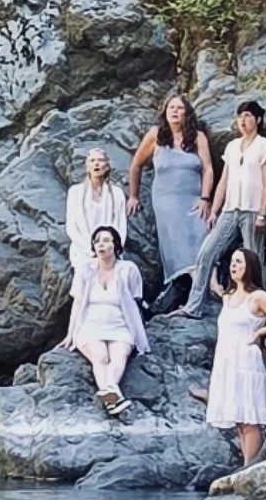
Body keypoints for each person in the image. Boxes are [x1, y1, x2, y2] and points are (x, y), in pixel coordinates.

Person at [181, 99, 266, 316]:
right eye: (240, 116)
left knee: (253, 257)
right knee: (207, 251)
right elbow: (223, 182)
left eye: (248, 116)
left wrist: (263, 213)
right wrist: (214, 211)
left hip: (253, 210)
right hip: (230, 209)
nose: (243, 121)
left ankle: (256, 308)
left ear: (258, 119)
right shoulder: (232, 147)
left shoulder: (265, 146)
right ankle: (194, 306)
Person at [127, 94, 214, 310]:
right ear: (165, 113)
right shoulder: (156, 136)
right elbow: (136, 165)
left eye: (179, 108)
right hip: (166, 201)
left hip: (194, 199)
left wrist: (205, 198)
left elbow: (208, 168)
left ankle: (211, 286)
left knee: (204, 236)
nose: (175, 111)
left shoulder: (198, 137)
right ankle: (202, 291)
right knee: (180, 244)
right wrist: (133, 195)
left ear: (187, 113)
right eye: (171, 108)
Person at [204, 245, 266, 466]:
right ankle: (246, 466)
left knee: (249, 419)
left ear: (250, 267)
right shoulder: (228, 297)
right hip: (227, 361)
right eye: (233, 262)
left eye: (240, 262)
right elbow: (218, 290)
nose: (234, 266)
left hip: (246, 360)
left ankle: (249, 466)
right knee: (238, 420)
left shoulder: (257, 297)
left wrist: (264, 333)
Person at [64, 224, 150, 416]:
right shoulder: (85, 270)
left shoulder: (128, 269)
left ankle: (110, 397)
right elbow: (77, 303)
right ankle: (113, 397)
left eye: (105, 240)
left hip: (120, 324)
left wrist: (139, 330)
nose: (101, 245)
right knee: (100, 357)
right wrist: (70, 333)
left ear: (115, 245)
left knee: (119, 356)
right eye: (97, 241)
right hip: (91, 324)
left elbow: (137, 299)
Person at [65, 148, 129, 290]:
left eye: (100, 160)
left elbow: (121, 226)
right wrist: (91, 250)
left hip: (110, 251)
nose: (96, 164)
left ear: (107, 165)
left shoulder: (117, 194)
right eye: (92, 161)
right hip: (83, 251)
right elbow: (72, 227)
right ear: (87, 166)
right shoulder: (75, 192)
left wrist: (113, 248)